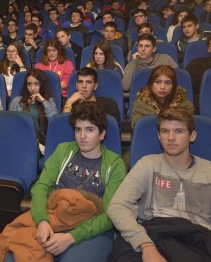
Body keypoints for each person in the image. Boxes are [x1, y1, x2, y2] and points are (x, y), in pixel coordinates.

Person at [108, 108, 211, 261]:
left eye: (178, 131)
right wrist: (146, 245)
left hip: (194, 241)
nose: (170, 137)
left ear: (192, 135)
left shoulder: (208, 170)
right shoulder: (147, 164)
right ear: (158, 135)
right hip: (151, 234)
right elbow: (117, 206)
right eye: (165, 131)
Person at [28, 102, 126, 262]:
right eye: (78, 129)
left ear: (102, 134)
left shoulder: (115, 165)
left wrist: (71, 237)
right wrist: (42, 221)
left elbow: (110, 214)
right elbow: (41, 187)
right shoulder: (63, 151)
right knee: (15, 255)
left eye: (90, 129)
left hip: (94, 229)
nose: (82, 136)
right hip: (56, 217)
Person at [10, 68, 58, 153]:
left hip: (41, 143)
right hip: (21, 141)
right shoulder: (17, 101)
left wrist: (43, 101)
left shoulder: (49, 101)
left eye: (36, 84)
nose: (32, 88)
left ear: (42, 85)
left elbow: (54, 122)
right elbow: (12, 125)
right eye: (29, 84)